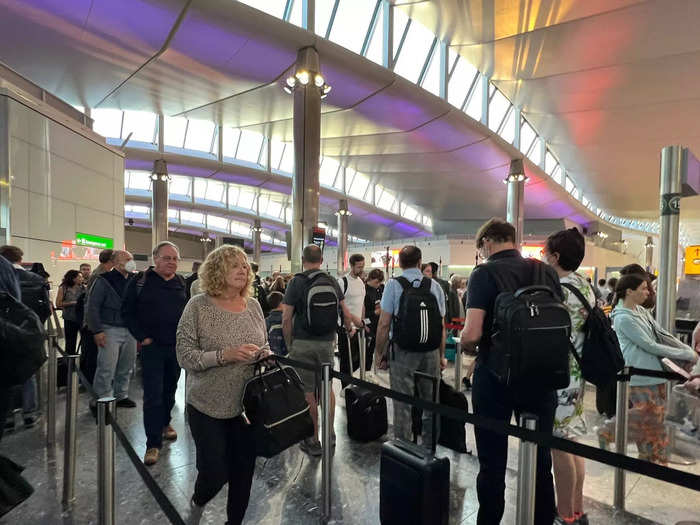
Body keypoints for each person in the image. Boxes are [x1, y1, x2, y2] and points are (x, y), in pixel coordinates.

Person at [460, 218, 562, 525]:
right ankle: (543, 519)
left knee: (492, 462)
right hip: (543, 377)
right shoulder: (545, 271)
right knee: (541, 462)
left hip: (496, 378)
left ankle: (490, 521)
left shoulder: (484, 273)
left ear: (487, 242)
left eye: (480, 248)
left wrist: (465, 345)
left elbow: (473, 332)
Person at [176, 245, 271, 525]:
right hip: (207, 405)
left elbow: (264, 341)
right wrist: (223, 356)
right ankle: (199, 500)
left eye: (245, 265)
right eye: (234, 265)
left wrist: (264, 353)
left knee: (243, 473)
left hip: (248, 405)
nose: (243, 270)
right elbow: (184, 355)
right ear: (217, 271)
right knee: (215, 472)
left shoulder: (252, 305)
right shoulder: (198, 306)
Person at [610, 274, 697, 464]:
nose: (648, 292)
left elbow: (662, 335)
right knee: (648, 420)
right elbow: (650, 345)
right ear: (629, 291)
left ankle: (656, 456)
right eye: (643, 288)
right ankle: (647, 457)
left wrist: (686, 350)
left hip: (656, 374)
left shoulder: (641, 311)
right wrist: (685, 354)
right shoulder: (623, 318)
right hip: (640, 375)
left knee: (657, 418)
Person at [282, 244, 354, 457]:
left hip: (302, 344)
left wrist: (289, 345)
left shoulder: (296, 282)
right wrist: (348, 328)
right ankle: (330, 435)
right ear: (321, 260)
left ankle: (313, 439)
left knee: (307, 392)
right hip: (326, 343)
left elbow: (286, 319)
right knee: (326, 387)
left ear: (303, 260)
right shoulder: (331, 280)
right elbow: (346, 313)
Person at [543, 228, 592, 525]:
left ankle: (564, 515)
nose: (543, 258)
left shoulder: (559, 289)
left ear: (556, 256)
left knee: (559, 445)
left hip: (561, 373)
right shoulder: (585, 285)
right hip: (577, 372)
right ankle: (577, 509)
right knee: (572, 441)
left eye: (545, 253)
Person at [122, 241, 187, 466]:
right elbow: (127, 313)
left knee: (170, 389)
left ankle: (164, 422)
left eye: (175, 259)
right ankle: (152, 443)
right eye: (166, 258)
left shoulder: (181, 283)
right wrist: (142, 337)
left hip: (176, 348)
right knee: (152, 394)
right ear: (155, 259)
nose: (171, 262)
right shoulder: (139, 282)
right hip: (152, 349)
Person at [375, 246, 446, 446]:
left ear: (399, 263)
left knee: (402, 404)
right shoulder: (434, 286)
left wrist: (380, 353)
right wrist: (440, 355)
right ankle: (429, 449)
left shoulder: (393, 285)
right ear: (420, 262)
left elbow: (384, 323)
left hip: (402, 351)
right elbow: (441, 326)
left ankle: (403, 450)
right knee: (431, 403)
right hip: (430, 352)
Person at [0, 245, 49, 429]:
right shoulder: (37, 279)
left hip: (6, 331)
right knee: (27, 374)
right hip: (28, 332)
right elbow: (45, 308)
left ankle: (9, 417)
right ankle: (29, 412)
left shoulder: (6, 274)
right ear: (20, 259)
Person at [86, 250, 138, 415]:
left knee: (127, 365)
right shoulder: (103, 280)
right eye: (127, 259)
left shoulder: (134, 280)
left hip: (129, 329)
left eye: (131, 258)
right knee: (106, 366)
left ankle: (121, 394)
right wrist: (97, 330)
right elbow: (92, 306)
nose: (131, 261)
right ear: (116, 262)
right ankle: (100, 399)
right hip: (109, 328)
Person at [337, 254, 366, 386]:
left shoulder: (361, 283)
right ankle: (345, 387)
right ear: (352, 265)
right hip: (346, 328)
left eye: (363, 266)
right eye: (359, 267)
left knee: (357, 360)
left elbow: (362, 304)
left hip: (359, 327)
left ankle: (353, 385)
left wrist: (363, 322)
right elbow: (341, 307)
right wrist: (352, 323)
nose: (361, 269)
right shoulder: (343, 282)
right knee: (346, 361)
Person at [55, 270, 84, 355]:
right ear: (73, 278)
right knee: (70, 342)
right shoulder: (63, 288)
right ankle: (69, 364)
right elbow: (58, 304)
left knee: (84, 342)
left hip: (81, 318)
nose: (81, 278)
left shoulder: (83, 288)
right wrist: (72, 303)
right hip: (69, 319)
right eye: (79, 277)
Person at [364, 268, 384, 373]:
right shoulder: (364, 290)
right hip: (367, 325)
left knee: (372, 351)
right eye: (376, 282)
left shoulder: (380, 289)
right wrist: (374, 313)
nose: (378, 285)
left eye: (380, 283)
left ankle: (369, 372)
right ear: (370, 279)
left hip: (378, 325)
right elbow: (361, 312)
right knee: (366, 354)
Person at [265, 291, 286, 355]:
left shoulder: (265, 321)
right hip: (286, 357)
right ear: (281, 303)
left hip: (271, 356)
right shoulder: (287, 320)